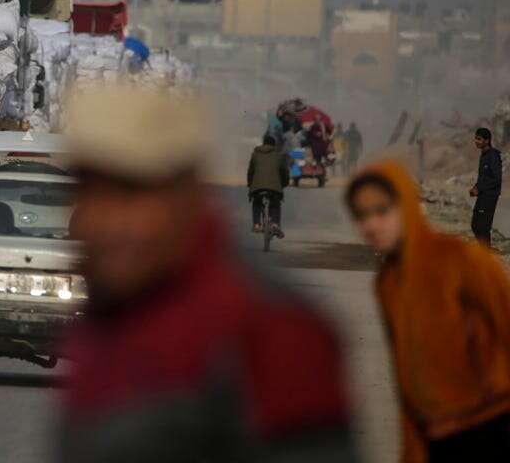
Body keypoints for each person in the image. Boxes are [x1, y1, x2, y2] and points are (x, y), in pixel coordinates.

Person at [57, 86, 355, 462]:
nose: (107, 223)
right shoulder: (108, 312)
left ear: (187, 195)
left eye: (133, 194)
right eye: (90, 194)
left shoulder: (268, 326)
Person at [345, 162, 510, 461]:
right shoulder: (388, 283)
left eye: (382, 211)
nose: (371, 225)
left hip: (492, 425)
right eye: (361, 215)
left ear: (406, 206)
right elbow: (407, 380)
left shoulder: (463, 260)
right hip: (437, 436)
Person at [247, 133, 290, 236]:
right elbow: (284, 172)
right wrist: (284, 184)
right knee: (275, 204)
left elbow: (250, 172)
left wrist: (250, 184)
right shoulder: (279, 155)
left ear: (263, 144)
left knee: (256, 203)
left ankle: (257, 224)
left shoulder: (255, 154)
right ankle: (275, 224)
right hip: (274, 188)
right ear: (274, 145)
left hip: (257, 187)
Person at [469, 127, 502, 248]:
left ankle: (486, 254)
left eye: (479, 139)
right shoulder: (484, 155)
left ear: (487, 141)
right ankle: (484, 251)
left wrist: (479, 188)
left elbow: (496, 179)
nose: (476, 141)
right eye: (475, 138)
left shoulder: (493, 155)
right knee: (475, 225)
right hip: (483, 194)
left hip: (490, 196)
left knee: (483, 227)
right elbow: (484, 177)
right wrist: (475, 187)